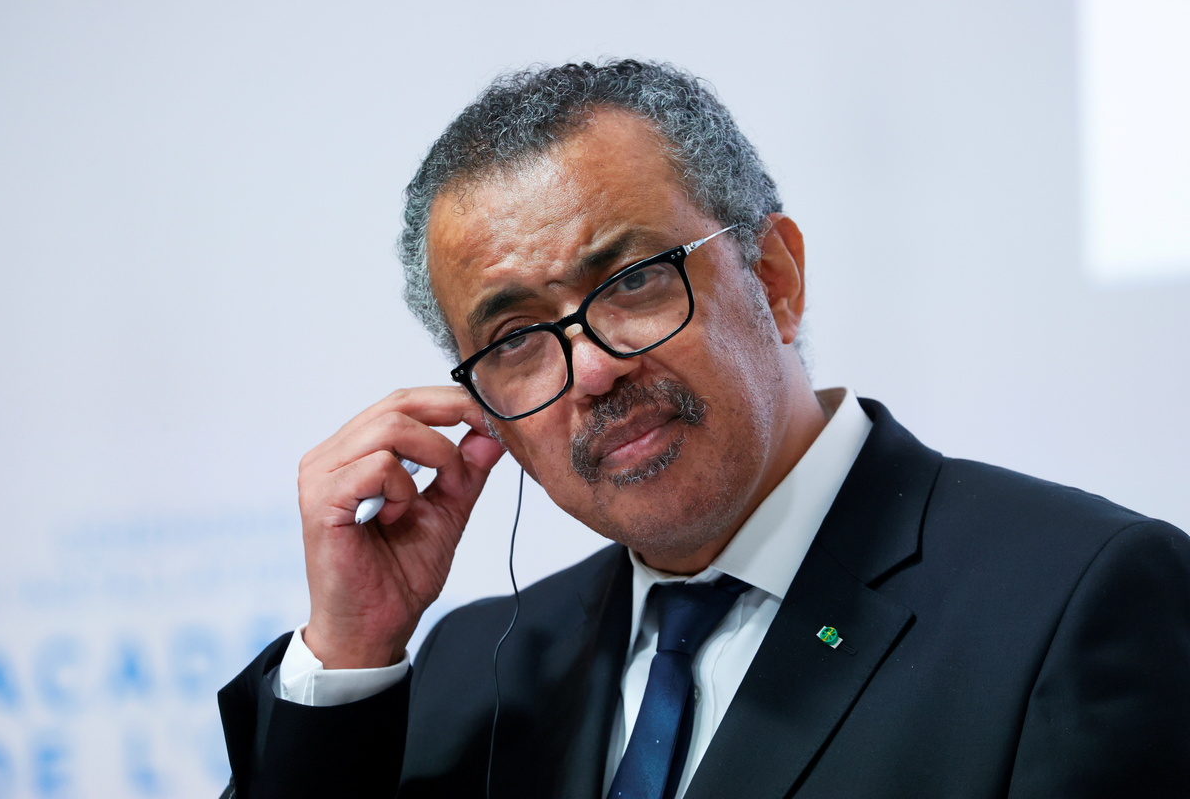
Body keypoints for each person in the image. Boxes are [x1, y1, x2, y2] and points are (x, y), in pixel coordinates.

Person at [217, 60, 1190, 798]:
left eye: (633, 281)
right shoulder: (477, 668)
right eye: (515, 339)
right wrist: (350, 651)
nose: (590, 370)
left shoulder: (1076, 602)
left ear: (775, 278)